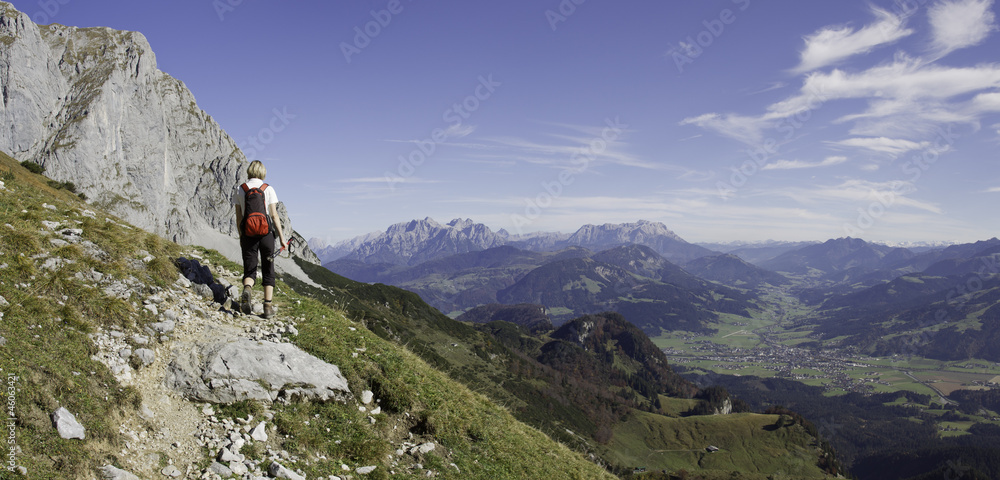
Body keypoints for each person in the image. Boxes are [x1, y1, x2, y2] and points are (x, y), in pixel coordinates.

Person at [233, 160, 287, 318]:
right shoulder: (267, 189)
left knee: (250, 268)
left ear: (249, 171)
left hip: (248, 233)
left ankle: (247, 289)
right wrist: (282, 238)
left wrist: (241, 234)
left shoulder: (240, 189)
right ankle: (268, 307)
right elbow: (274, 215)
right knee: (268, 269)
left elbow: (238, 217)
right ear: (263, 172)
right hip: (266, 234)